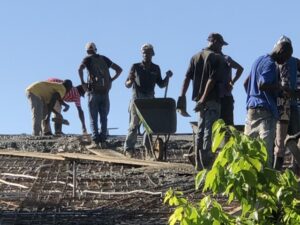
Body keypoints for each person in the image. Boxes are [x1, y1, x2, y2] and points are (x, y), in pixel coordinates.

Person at [177, 33, 227, 170]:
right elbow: (212, 79)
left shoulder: (195, 57)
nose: (221, 48)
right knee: (208, 131)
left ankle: (199, 164)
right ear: (215, 42)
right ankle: (206, 164)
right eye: (221, 44)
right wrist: (204, 98)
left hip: (199, 101)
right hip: (211, 99)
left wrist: (182, 96)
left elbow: (187, 78)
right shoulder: (215, 58)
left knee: (200, 131)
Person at [244, 41, 293, 167]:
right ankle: (265, 182)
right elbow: (263, 84)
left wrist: (253, 96)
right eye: (286, 57)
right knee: (265, 152)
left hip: (251, 109)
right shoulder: (271, 65)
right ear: (281, 51)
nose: (284, 61)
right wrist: (280, 87)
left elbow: (246, 83)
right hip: (265, 112)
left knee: (249, 150)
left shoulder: (258, 60)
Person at [123, 43, 172, 157]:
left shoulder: (156, 68)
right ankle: (129, 149)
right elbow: (127, 84)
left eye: (148, 52)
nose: (146, 54)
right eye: (144, 52)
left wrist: (167, 78)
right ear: (142, 54)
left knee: (149, 127)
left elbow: (161, 84)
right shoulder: (135, 67)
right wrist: (131, 80)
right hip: (137, 99)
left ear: (152, 54)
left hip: (150, 100)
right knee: (134, 125)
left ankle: (149, 150)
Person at [78, 42, 122, 148]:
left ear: (87, 51)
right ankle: (103, 140)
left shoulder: (87, 59)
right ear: (95, 49)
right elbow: (119, 70)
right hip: (105, 93)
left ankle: (96, 141)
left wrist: (83, 83)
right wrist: (111, 80)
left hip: (93, 92)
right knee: (104, 117)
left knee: (93, 118)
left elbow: (79, 69)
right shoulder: (104, 59)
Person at [272, 36, 300, 170]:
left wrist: (293, 94)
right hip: (281, 105)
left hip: (289, 105)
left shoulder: (296, 63)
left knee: (291, 138)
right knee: (280, 139)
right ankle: (278, 168)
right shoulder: (274, 62)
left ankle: (294, 168)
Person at [219, 54, 243, 125]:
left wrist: (231, 82)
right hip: (215, 98)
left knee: (227, 125)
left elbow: (240, 68)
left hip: (225, 97)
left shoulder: (225, 58)